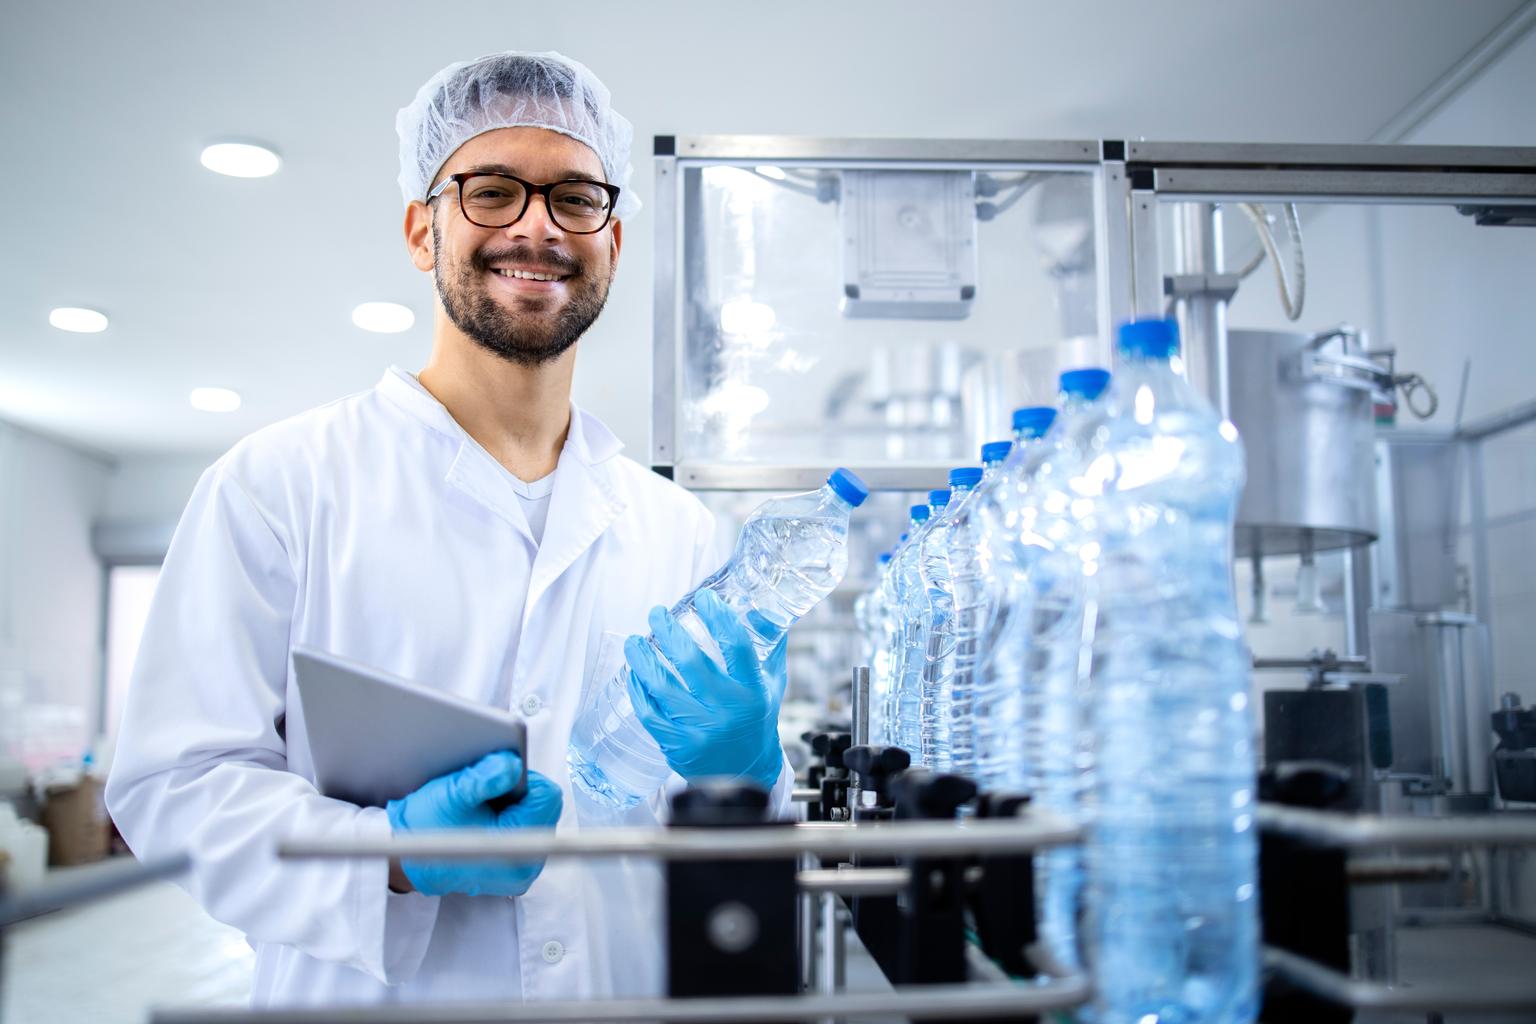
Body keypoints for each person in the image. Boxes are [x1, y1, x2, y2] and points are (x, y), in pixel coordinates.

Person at [105, 50, 793, 1008]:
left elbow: (729, 848)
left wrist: (751, 778)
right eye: (492, 191)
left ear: (615, 242)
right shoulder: (277, 486)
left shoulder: (681, 534)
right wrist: (391, 854)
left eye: (575, 198)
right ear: (421, 231)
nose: (537, 227)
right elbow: (173, 787)